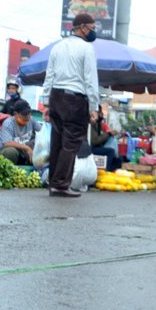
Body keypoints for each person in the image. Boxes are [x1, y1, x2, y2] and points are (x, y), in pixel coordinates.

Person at [42, 12, 100, 198]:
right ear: (82, 27)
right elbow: (91, 80)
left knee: (57, 142)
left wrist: (46, 103)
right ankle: (60, 185)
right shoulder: (86, 49)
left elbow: (49, 76)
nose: (93, 32)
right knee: (71, 143)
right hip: (75, 99)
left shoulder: (57, 47)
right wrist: (94, 107)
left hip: (56, 97)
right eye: (92, 28)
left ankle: (53, 183)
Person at [0, 100, 41, 165]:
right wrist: (27, 148)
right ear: (16, 114)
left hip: (21, 153)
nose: (28, 116)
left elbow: (42, 133)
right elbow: (7, 143)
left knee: (37, 144)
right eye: (24, 114)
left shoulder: (31, 120)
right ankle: (7, 171)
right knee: (10, 151)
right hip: (3, 155)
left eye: (29, 113)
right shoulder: (8, 123)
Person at [89, 107, 122, 172]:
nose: (101, 115)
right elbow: (95, 141)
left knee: (118, 160)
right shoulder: (90, 125)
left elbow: (100, 136)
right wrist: (108, 134)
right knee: (110, 151)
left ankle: (111, 171)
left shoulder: (97, 124)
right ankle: (105, 171)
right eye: (99, 113)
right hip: (90, 148)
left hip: (97, 146)